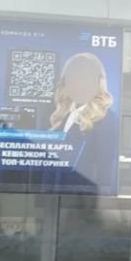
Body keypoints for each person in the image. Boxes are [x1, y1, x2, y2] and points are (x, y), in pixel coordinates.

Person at [49, 52, 117, 192]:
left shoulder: (106, 120)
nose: (78, 84)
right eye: (72, 78)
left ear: (97, 83)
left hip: (84, 199)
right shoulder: (63, 116)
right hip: (56, 196)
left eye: (84, 78)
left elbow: (105, 171)